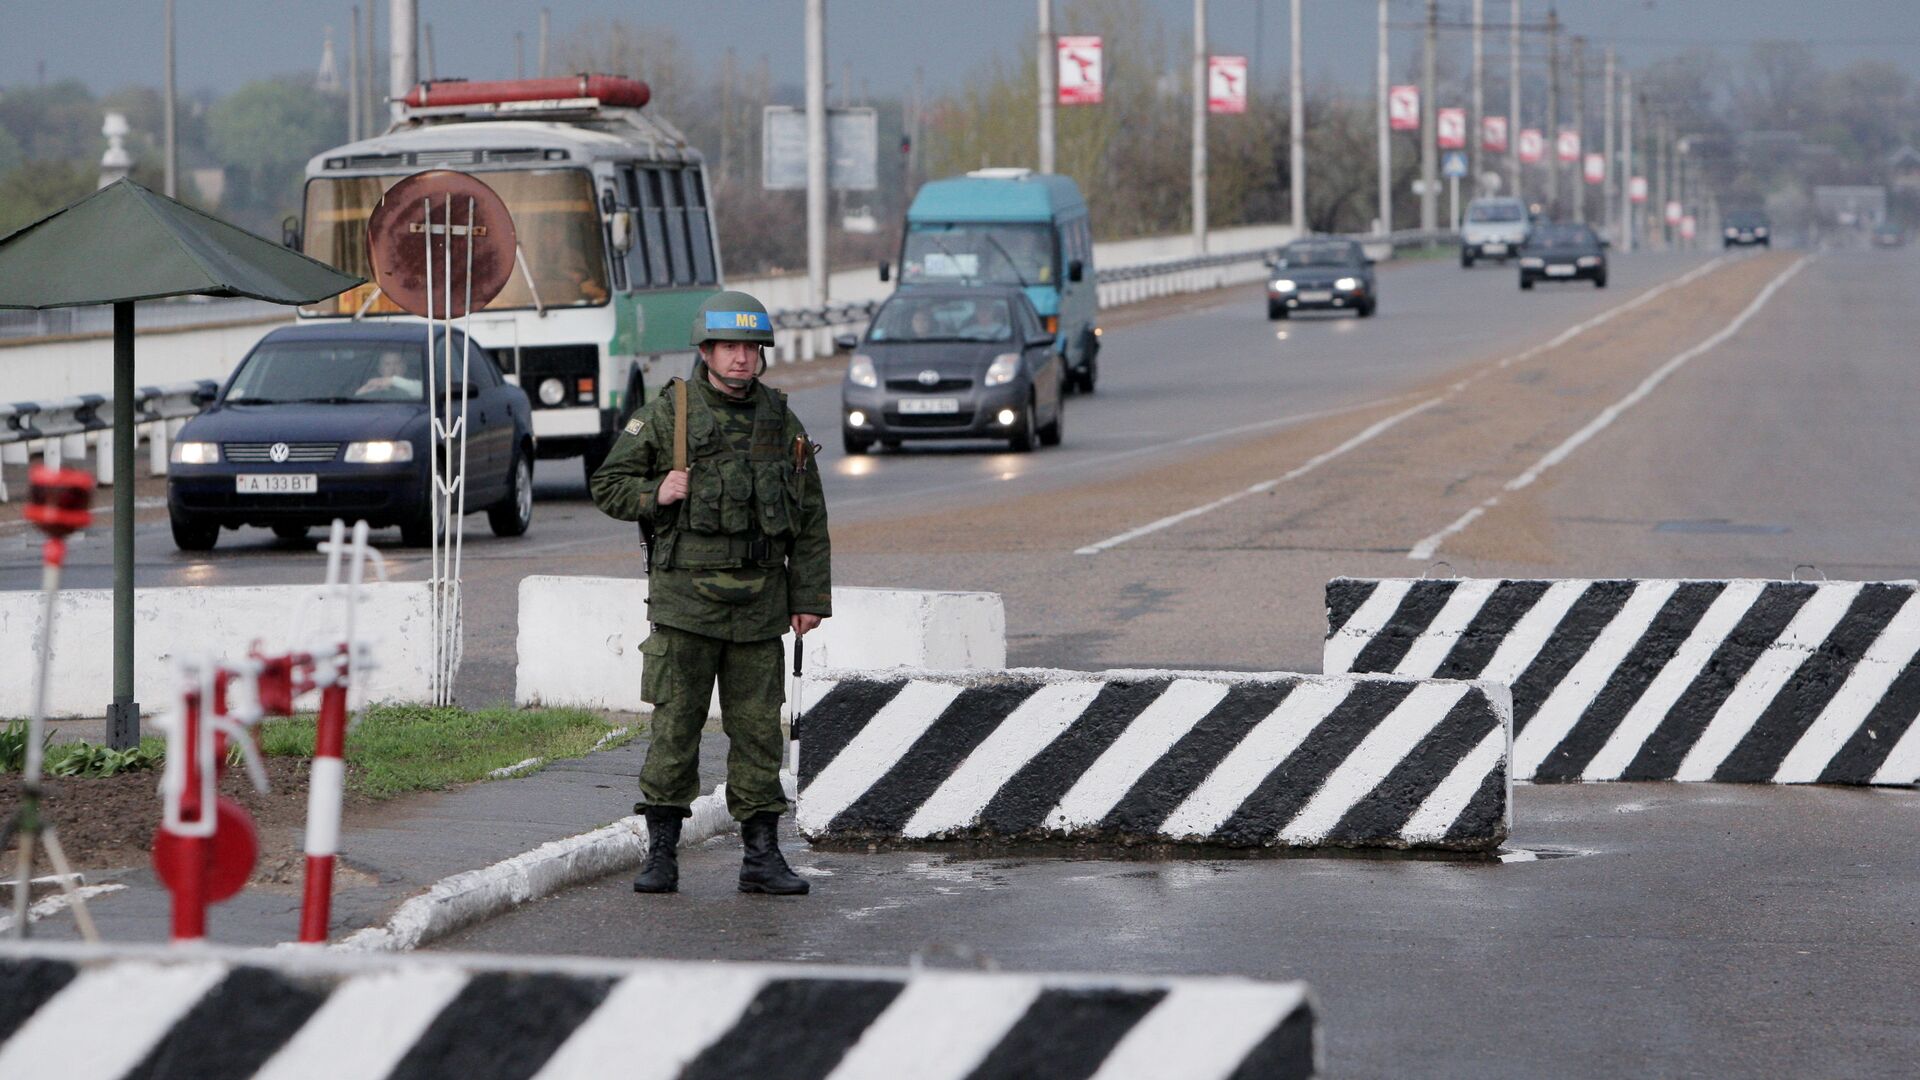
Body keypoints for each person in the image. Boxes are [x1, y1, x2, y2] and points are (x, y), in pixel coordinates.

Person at [589, 290, 831, 896]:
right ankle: (662, 853)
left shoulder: (781, 419)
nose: (741, 359)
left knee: (757, 735)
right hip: (684, 604)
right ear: (706, 351)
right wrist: (655, 494)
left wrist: (808, 598)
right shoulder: (669, 412)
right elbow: (608, 483)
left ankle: (761, 856)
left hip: (759, 607)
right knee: (676, 731)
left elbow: (809, 517)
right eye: (729, 347)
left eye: (751, 348)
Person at [356, 349, 422, 397]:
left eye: (397, 363)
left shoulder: (413, 386)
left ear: (404, 367)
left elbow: (428, 392)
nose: (392, 368)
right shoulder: (371, 389)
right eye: (387, 364)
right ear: (380, 369)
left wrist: (393, 380)